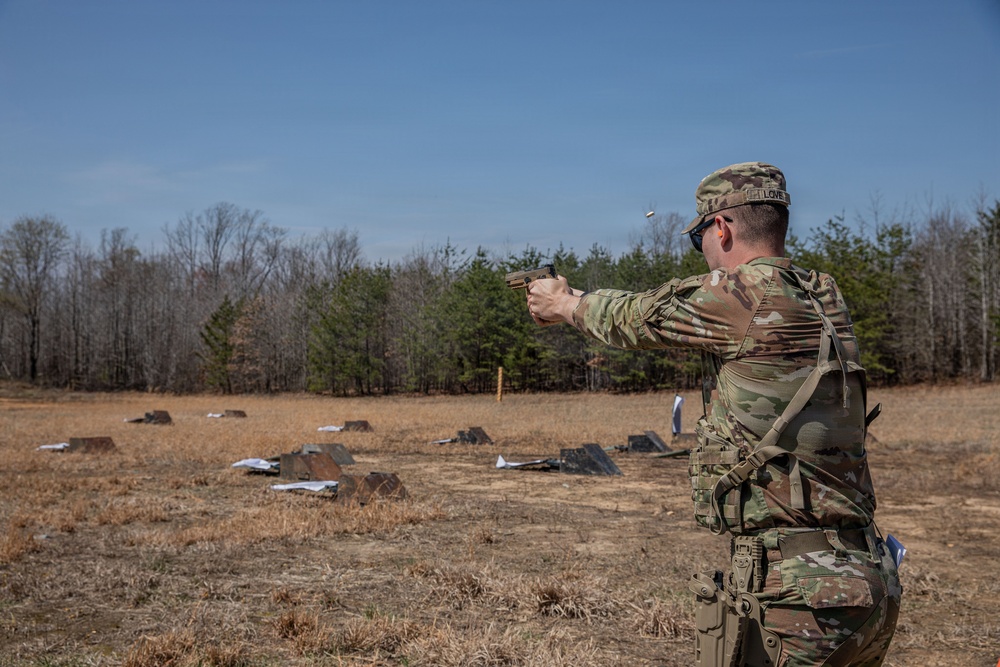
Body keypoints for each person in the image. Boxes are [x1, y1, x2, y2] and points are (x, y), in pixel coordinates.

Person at [524, 162, 902, 666]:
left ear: (721, 228)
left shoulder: (745, 294)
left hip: (799, 593)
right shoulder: (823, 293)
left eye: (699, 236)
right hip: (863, 575)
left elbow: (636, 317)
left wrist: (566, 302)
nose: (701, 248)